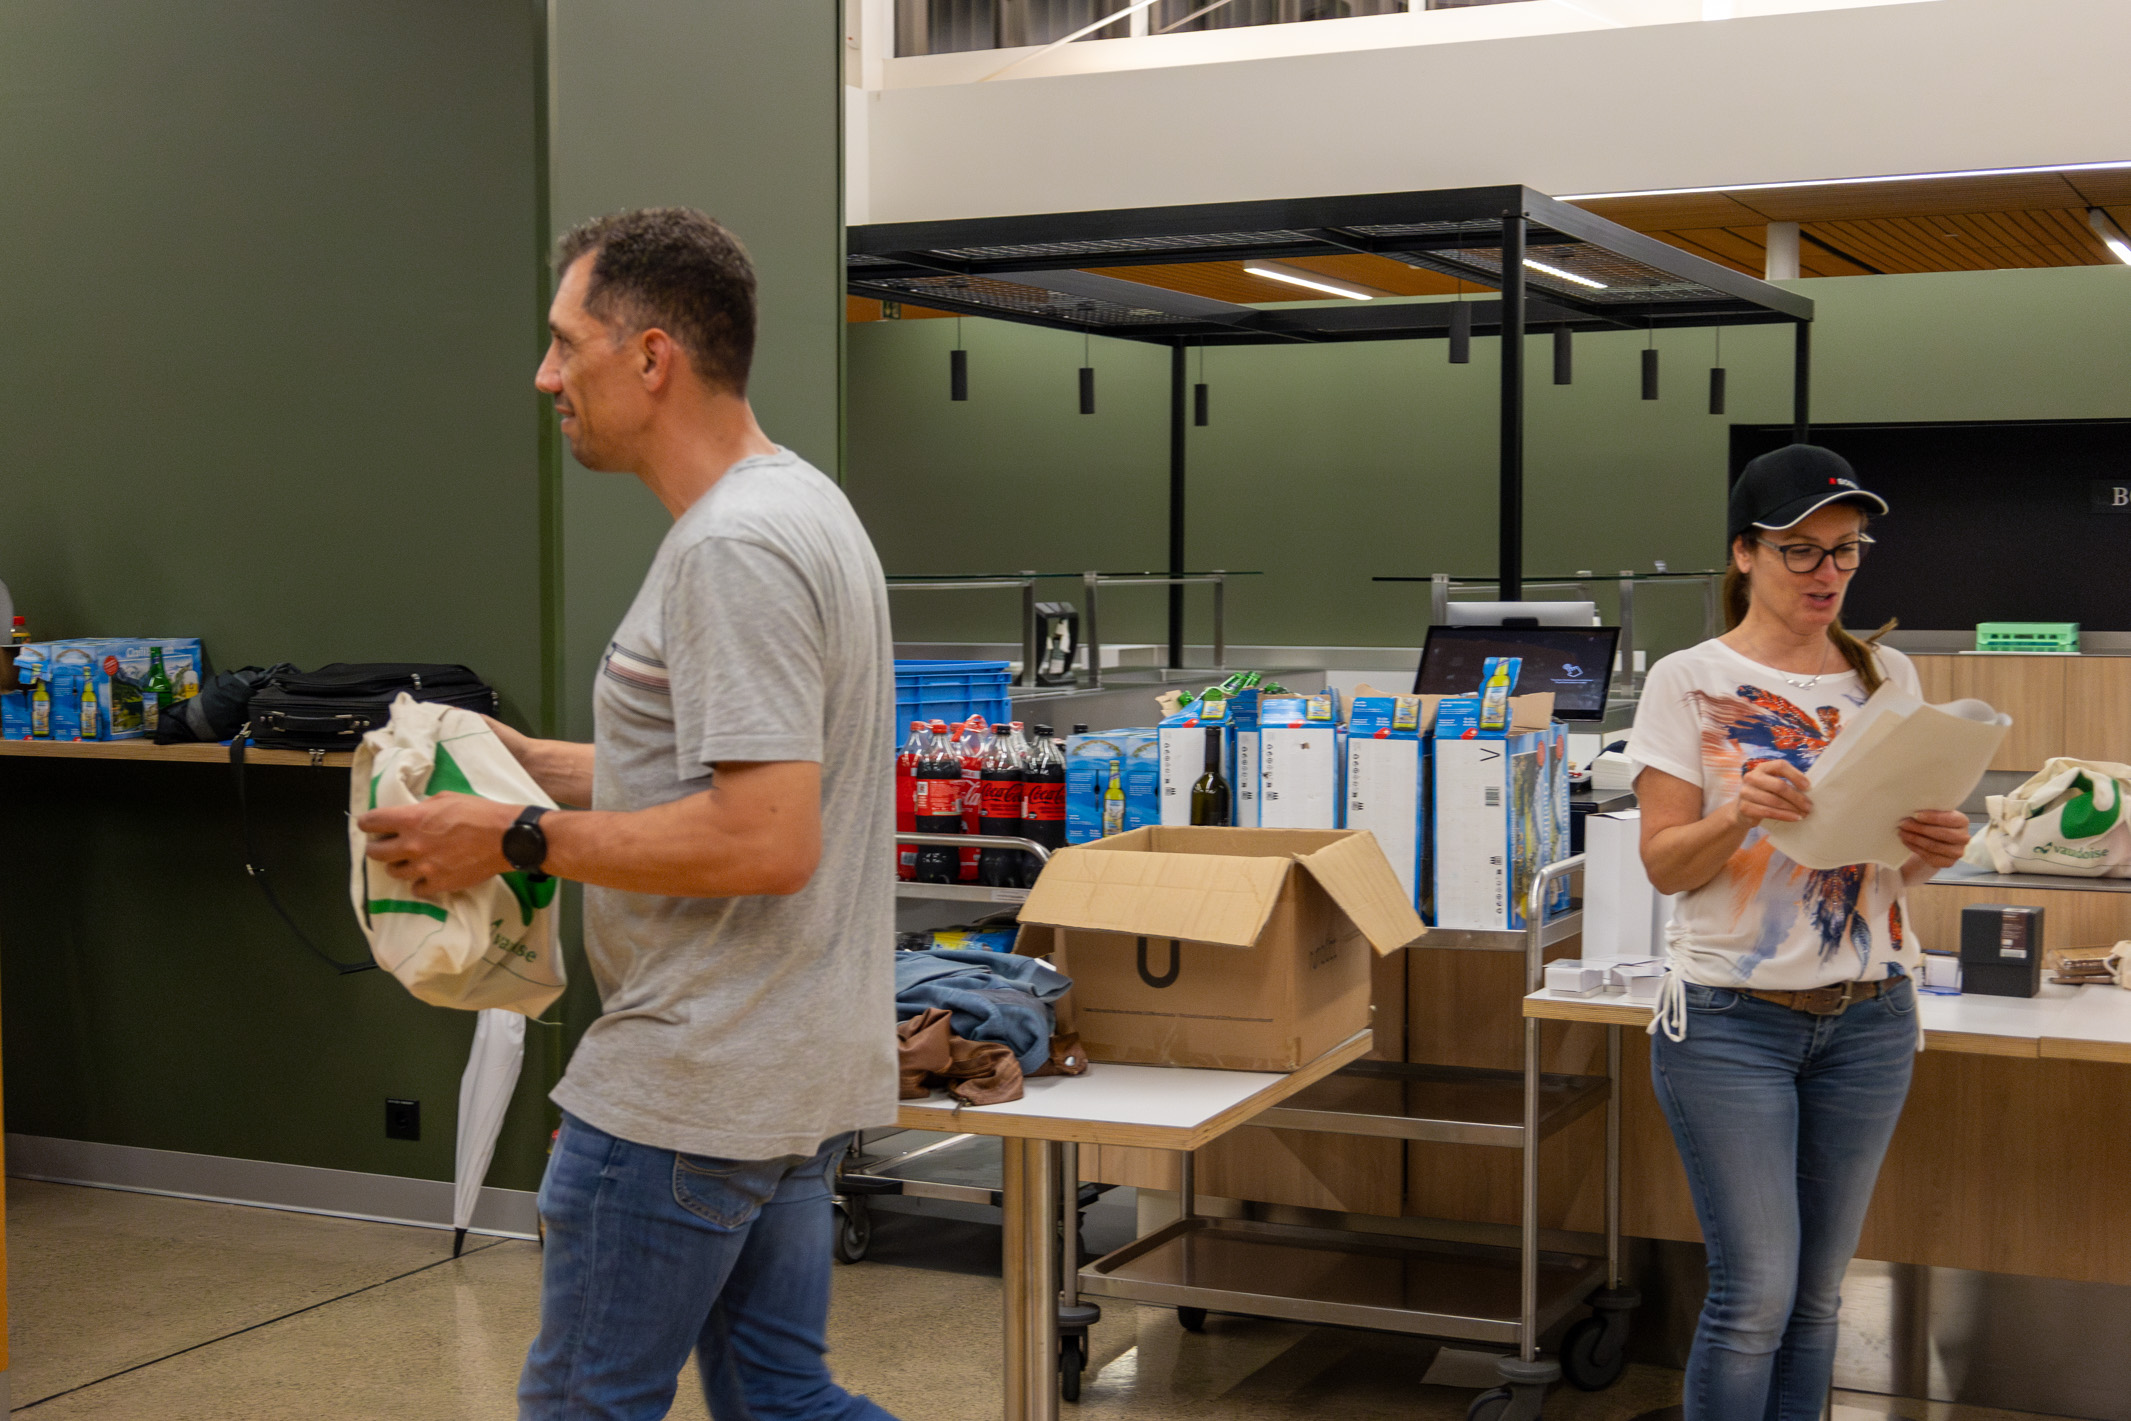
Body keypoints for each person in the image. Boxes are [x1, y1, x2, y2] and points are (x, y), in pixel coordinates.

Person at [356, 208, 900, 1421]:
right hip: (787, 1072)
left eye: (565, 343)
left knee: (584, 1404)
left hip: (689, 1082)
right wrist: (527, 766)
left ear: (651, 357)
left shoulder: (732, 550)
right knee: (782, 1400)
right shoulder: (804, 506)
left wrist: (511, 838)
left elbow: (765, 838)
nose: (544, 376)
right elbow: (740, 775)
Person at [1629, 444, 1971, 1421]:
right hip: (1730, 1022)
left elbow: (1882, 868)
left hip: (1868, 1018)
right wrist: (1738, 811)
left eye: (1846, 549)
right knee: (1755, 1297)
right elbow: (1663, 864)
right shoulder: (1687, 679)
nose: (1828, 573)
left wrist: (1933, 849)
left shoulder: (1884, 672)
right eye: (1801, 551)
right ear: (1744, 553)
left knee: (1819, 1295)